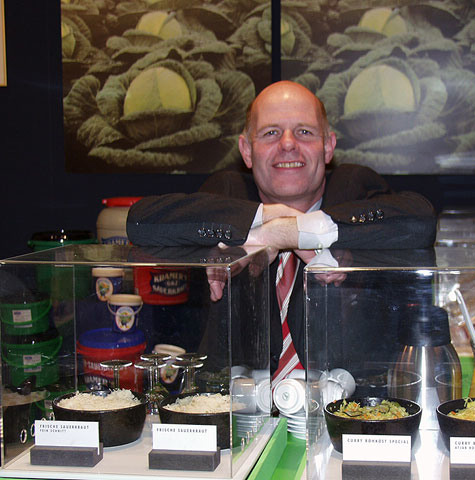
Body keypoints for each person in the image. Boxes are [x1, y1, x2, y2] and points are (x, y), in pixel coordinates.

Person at [126, 80, 437, 377]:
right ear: (246, 151)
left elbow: (420, 220)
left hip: (345, 403)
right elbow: (141, 222)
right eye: (271, 132)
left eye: (304, 132)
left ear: (327, 146)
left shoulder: (352, 187)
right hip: (237, 404)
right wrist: (263, 219)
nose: (288, 144)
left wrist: (297, 231)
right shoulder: (228, 192)